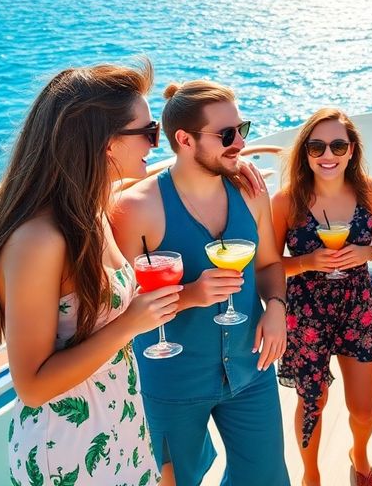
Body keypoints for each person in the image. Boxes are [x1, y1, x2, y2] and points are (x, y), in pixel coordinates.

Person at [0, 61, 177, 485]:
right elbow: (34, 387)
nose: (156, 142)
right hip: (69, 451)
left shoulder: (92, 214)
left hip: (119, 425)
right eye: (148, 132)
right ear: (107, 143)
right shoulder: (40, 240)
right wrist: (131, 323)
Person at [111, 79, 289, 486]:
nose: (240, 144)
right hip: (170, 383)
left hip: (250, 367)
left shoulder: (251, 192)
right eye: (226, 135)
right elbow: (117, 308)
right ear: (184, 140)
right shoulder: (137, 209)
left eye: (241, 130)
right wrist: (191, 295)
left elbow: (268, 265)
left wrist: (277, 307)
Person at [271, 108, 372, 486]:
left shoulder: (370, 191)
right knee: (312, 403)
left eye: (338, 145)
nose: (328, 154)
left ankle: (359, 454)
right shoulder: (286, 201)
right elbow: (271, 267)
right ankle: (311, 475)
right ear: (305, 152)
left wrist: (366, 253)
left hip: (357, 305)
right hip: (306, 313)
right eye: (317, 146)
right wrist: (307, 261)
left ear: (352, 150)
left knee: (364, 410)